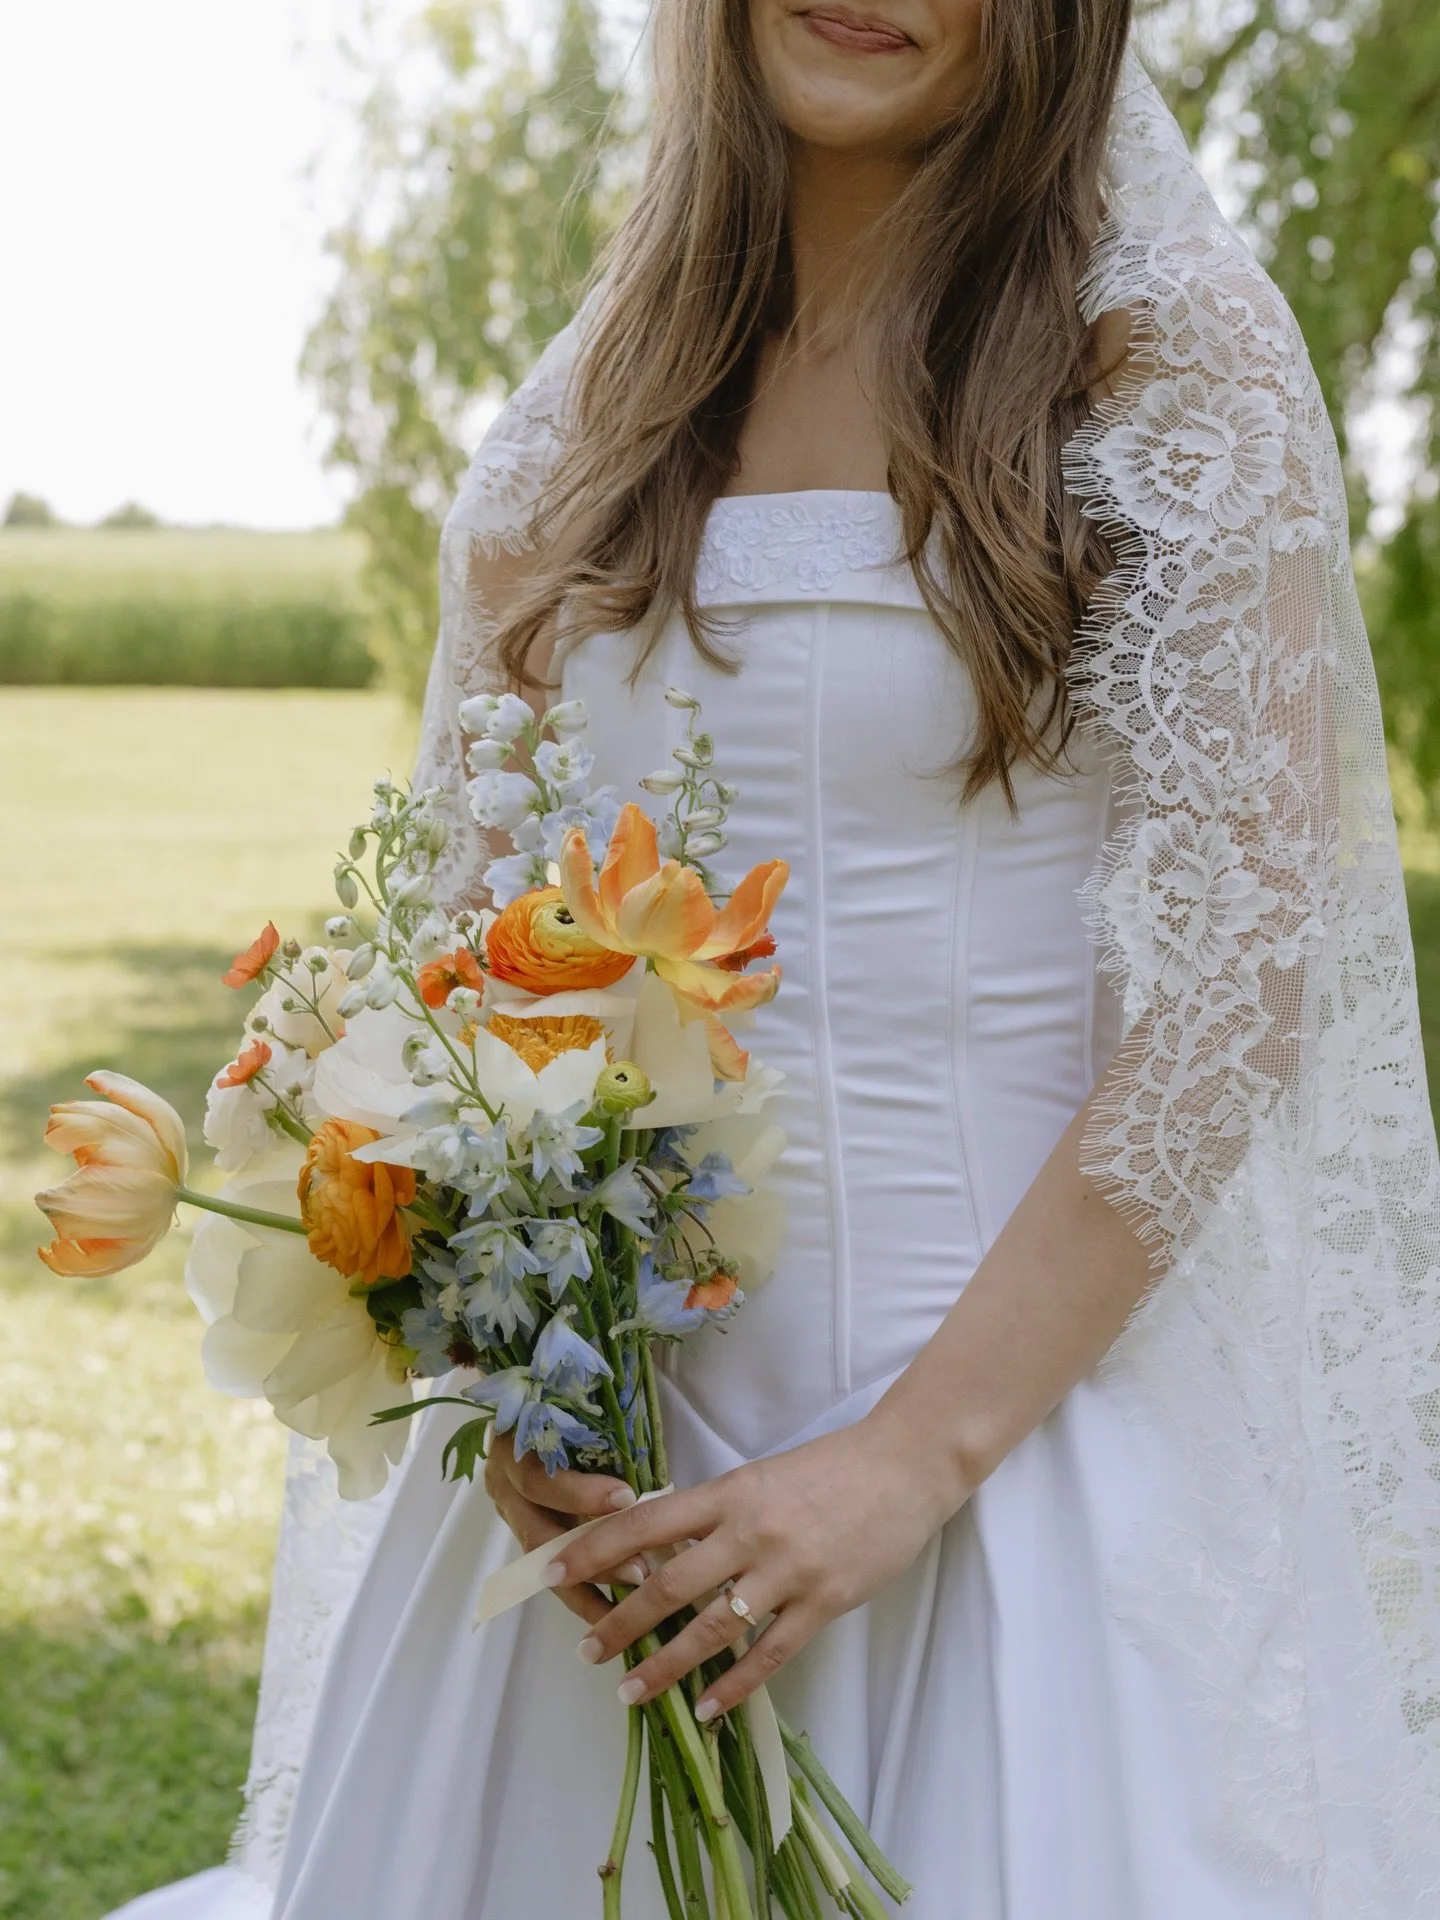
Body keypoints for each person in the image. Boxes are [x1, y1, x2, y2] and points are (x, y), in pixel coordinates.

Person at [112, 5, 1440, 1918]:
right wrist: (503, 1377)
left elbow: (1235, 983)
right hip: (611, 1482)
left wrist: (903, 1466)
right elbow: (466, 971)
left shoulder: (1161, 353)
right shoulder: (592, 413)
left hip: (1010, 1454)